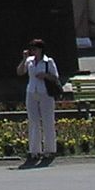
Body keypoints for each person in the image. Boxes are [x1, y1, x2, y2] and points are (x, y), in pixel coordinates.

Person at [16, 39, 60, 167]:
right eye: (31, 49)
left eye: (35, 49)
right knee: (33, 121)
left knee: (47, 120)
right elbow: (20, 72)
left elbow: (55, 77)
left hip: (45, 93)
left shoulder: (48, 61)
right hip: (31, 92)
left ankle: (50, 150)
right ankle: (34, 150)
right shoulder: (29, 61)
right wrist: (24, 59)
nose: (33, 51)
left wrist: (45, 75)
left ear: (41, 49)